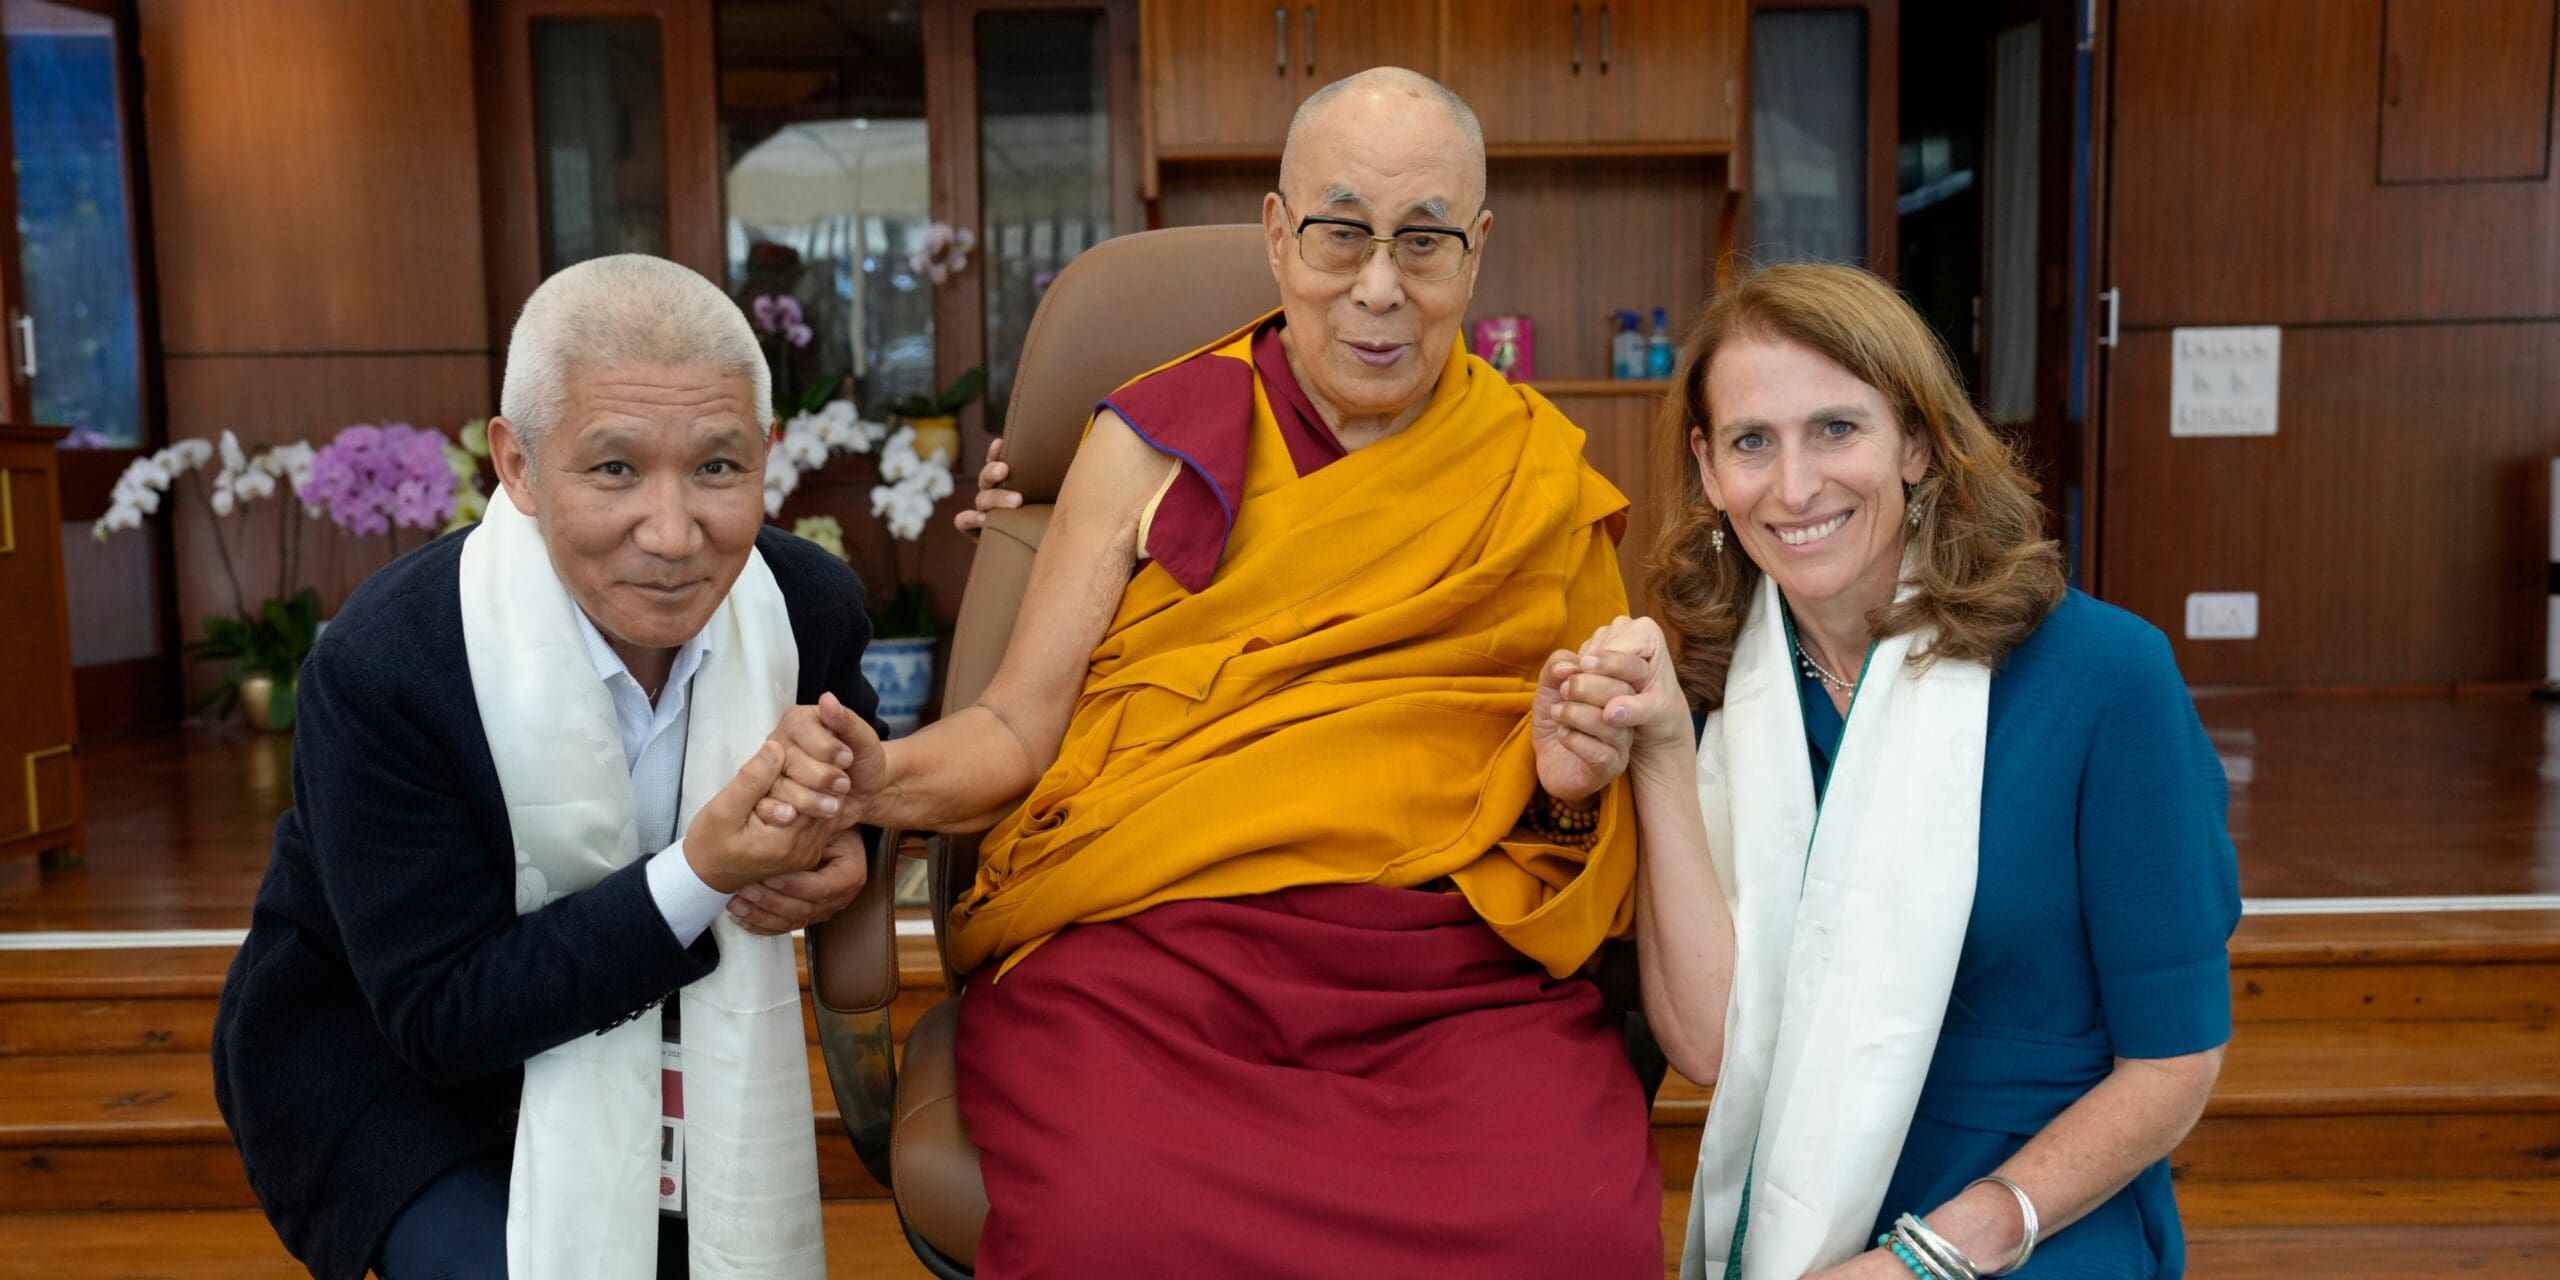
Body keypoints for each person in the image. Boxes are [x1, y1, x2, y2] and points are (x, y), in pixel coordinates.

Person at [840, 67, 1666, 1275]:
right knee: (1112, 1221)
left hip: (1441, 971)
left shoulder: (1531, 476)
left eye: (1422, 242)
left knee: (1569, 1225)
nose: (1378, 288)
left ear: (1474, 255)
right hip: (1153, 954)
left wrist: (1567, 776)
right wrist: (872, 777)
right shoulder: (1145, 441)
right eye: (1340, 234)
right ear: (1280, 238)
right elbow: (1016, 730)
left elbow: (1565, 818)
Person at [1547, 263, 2238, 1279]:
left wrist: (1939, 1253)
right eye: (1752, 441)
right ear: (1706, 467)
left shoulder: (2102, 678)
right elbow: (1705, 1045)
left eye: (1836, 428)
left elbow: (2174, 1064)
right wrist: (1651, 751)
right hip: (1797, 1223)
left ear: (1915, 440)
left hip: (2031, 1220)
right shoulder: (1705, 691)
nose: (1793, 486)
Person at [212, 254, 884, 1280]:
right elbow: (441, 1011)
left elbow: (856, 784)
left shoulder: (807, 609)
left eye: (717, 467)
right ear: (516, 466)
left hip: (674, 1050)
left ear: (768, 456)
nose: (672, 533)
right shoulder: (387, 664)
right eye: (614, 469)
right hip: (411, 1076)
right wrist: (703, 869)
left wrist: (849, 855)